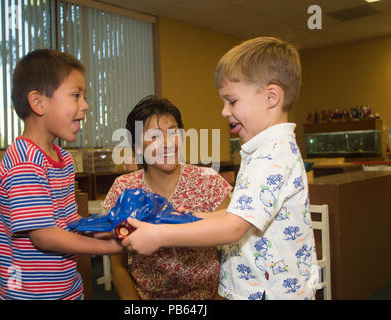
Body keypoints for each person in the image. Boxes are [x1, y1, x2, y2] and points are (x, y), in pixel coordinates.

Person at [122, 37, 319, 300]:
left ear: (271, 97)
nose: (224, 111)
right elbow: (237, 213)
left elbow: (232, 227)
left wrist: (160, 234)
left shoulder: (272, 157)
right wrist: (191, 216)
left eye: (232, 101)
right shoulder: (263, 151)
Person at [0, 49, 122, 300]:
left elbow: (68, 223)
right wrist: (109, 247)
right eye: (76, 95)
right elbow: (44, 235)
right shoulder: (25, 162)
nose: (85, 105)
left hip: (66, 289)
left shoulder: (63, 159)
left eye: (84, 96)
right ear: (38, 102)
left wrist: (107, 226)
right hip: (28, 295)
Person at [102, 95, 232, 299]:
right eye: (153, 137)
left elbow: (233, 251)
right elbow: (117, 264)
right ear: (137, 146)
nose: (167, 144)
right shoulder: (124, 188)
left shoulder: (208, 182)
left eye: (173, 133)